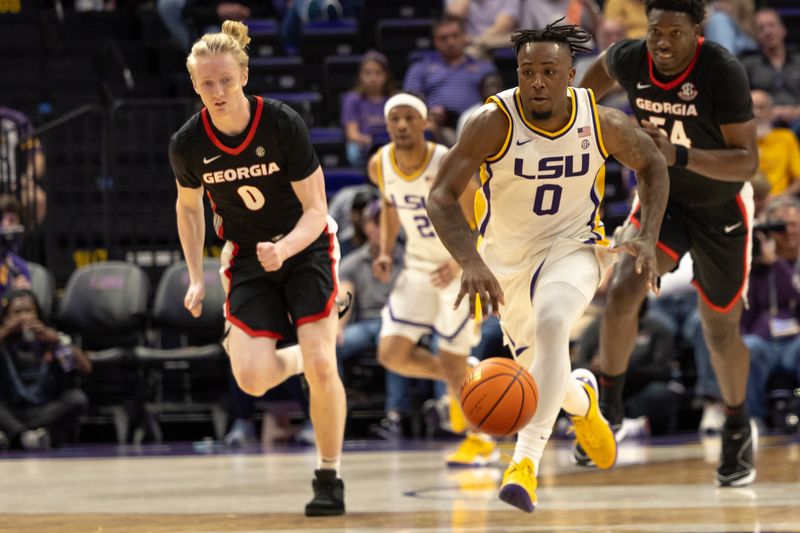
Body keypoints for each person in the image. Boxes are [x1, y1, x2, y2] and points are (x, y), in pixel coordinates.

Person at [427, 21, 669, 512]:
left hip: (574, 246)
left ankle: (525, 462)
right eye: (527, 71)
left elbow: (653, 165)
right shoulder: (492, 121)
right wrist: (469, 260)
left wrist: (647, 232)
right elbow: (440, 196)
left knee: (556, 323)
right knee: (542, 381)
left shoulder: (600, 122)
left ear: (569, 75)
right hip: (506, 265)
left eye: (548, 72)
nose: (536, 81)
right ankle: (584, 398)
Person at [579, 0, 760, 487]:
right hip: (663, 199)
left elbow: (747, 163)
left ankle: (738, 425)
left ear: (696, 30)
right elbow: (577, 104)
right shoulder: (626, 57)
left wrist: (675, 154)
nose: (661, 41)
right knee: (622, 290)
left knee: (719, 331)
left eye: (674, 33)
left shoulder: (721, 69)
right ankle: (609, 408)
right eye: (655, 29)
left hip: (722, 206)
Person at [168, 21, 346, 516]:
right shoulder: (187, 144)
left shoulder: (282, 123)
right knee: (251, 378)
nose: (217, 91)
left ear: (244, 74)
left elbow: (317, 211)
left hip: (305, 246)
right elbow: (188, 209)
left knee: (325, 364)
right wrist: (193, 275)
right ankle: (304, 356)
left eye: (226, 80)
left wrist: (285, 248)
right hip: (246, 257)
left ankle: (328, 476)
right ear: (195, 85)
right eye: (207, 83)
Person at [368, 93, 496, 467]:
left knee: (450, 357)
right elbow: (391, 206)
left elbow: (483, 215)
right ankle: (465, 382)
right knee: (391, 354)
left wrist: (461, 263)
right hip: (417, 267)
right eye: (395, 119)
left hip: (457, 270)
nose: (402, 126)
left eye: (410, 118)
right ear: (387, 124)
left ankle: (479, 438)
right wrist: (386, 252)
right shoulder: (380, 164)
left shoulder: (446, 161)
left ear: (424, 123)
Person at [0, 289, 91, 451]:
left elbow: (85, 368)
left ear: (37, 315)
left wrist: (56, 340)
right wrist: (5, 332)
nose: (23, 317)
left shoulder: (51, 340)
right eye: (17, 312)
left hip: (44, 410)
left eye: (28, 311)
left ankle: (16, 436)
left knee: (77, 399)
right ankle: (26, 437)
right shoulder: (3, 342)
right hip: (10, 410)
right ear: (6, 318)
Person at [403, 15, 497, 146]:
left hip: (475, 123)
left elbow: (494, 101)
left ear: (464, 36)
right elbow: (410, 101)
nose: (450, 42)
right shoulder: (420, 68)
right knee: (426, 126)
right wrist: (428, 113)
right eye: (443, 38)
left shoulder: (484, 67)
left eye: (455, 36)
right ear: (435, 41)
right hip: (437, 125)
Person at [740, 9, 800, 134]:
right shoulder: (748, 65)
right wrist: (767, 112)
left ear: (783, 30)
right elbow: (740, 100)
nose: (767, 32)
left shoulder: (798, 60)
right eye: (761, 28)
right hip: (763, 123)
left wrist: (796, 111)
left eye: (772, 25)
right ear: (756, 35)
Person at [341, 50, 396, 168]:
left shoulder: (394, 99)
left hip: (390, 143)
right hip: (364, 144)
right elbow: (352, 134)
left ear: (386, 75)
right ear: (360, 75)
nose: (373, 78)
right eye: (368, 73)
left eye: (378, 73)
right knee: (353, 150)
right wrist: (372, 141)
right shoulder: (352, 99)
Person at [751, 89, 800, 197]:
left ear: (771, 112)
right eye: (752, 108)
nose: (757, 113)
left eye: (762, 107)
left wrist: (780, 198)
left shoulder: (786, 137)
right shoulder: (736, 140)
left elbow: (799, 178)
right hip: (745, 200)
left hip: (779, 201)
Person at [0, 195, 31, 300]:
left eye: (12, 220)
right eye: (1, 219)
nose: (5, 224)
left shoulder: (19, 266)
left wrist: (25, 295)